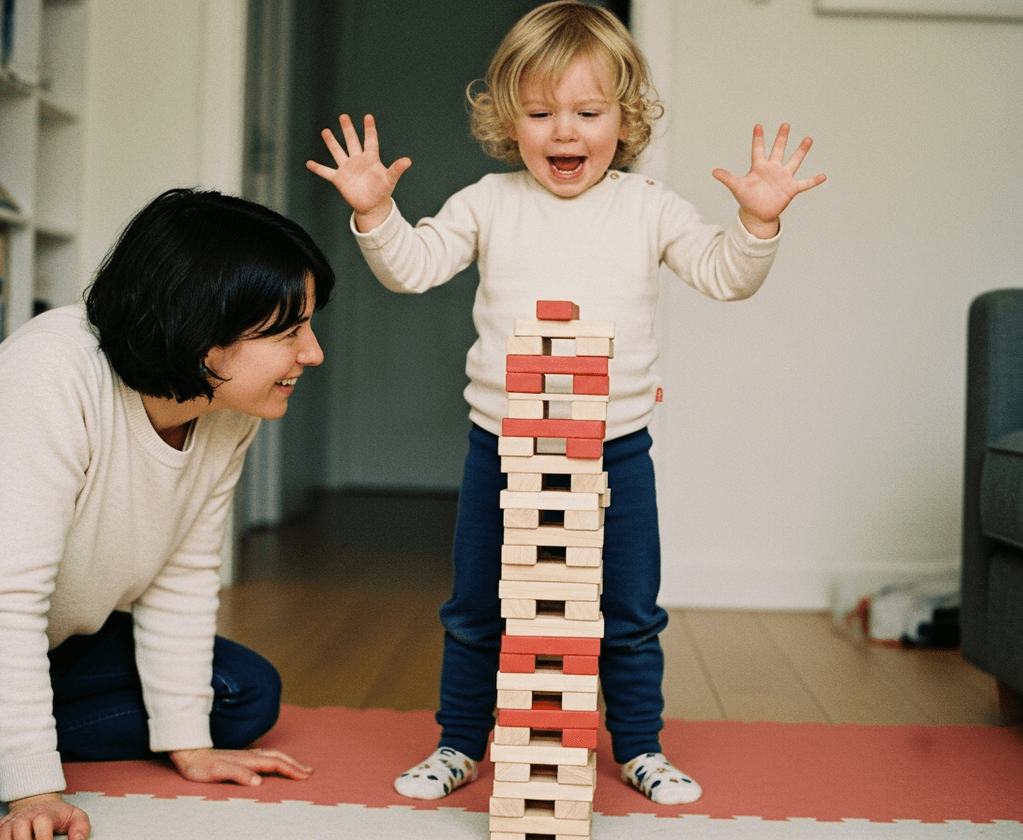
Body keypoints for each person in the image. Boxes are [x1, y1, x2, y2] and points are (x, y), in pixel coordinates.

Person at [308, 0, 825, 806]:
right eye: (540, 113)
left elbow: (725, 275)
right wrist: (375, 211)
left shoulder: (649, 205)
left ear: (627, 117)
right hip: (503, 446)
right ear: (508, 122)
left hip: (616, 447)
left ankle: (642, 747)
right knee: (479, 606)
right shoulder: (489, 200)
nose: (564, 133)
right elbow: (412, 267)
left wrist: (757, 224)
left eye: (588, 112)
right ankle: (457, 743)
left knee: (627, 610)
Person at [0, 188, 334, 839]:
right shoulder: (50, 375)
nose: (312, 354)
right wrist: (33, 793)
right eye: (287, 332)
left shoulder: (226, 409)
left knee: (244, 694)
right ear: (201, 331)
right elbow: (8, 599)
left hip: (48, 647)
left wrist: (190, 746)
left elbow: (185, 573)